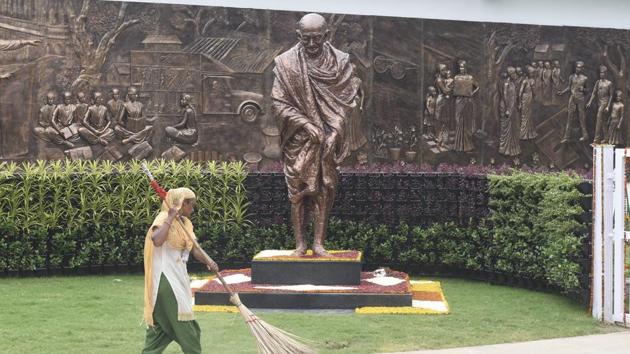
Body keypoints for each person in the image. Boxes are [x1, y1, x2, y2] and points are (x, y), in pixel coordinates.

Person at [271, 13, 360, 257]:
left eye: (317, 39)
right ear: (298, 36)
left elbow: (347, 103)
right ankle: (300, 244)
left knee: (323, 189)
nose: (311, 44)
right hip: (299, 139)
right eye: (306, 39)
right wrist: (305, 124)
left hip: (327, 140)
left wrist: (334, 132)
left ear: (327, 36)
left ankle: (318, 243)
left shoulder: (340, 62)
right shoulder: (286, 63)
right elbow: (278, 103)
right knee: (298, 192)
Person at [142, 187, 218, 354]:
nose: (193, 208)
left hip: (177, 279)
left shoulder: (186, 223)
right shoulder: (163, 218)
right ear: (182, 204)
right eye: (191, 204)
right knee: (189, 331)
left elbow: (195, 249)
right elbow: (156, 240)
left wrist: (209, 261)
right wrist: (169, 218)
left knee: (159, 330)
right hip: (166, 282)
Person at [557, 61, 589, 143]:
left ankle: (585, 135)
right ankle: (566, 137)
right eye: (577, 67)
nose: (578, 69)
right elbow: (569, 87)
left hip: (580, 99)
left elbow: (588, 90)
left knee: (582, 117)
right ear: (575, 68)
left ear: (582, 69)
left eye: (580, 67)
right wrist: (562, 92)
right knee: (569, 117)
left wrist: (584, 89)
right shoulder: (571, 77)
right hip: (572, 98)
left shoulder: (585, 78)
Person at [587, 66, 614, 144]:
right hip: (599, 103)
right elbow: (594, 93)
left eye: (603, 73)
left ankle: (596, 140)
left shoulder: (609, 83)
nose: (601, 74)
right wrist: (590, 101)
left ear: (606, 73)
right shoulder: (598, 82)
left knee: (598, 119)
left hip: (605, 103)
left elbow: (611, 95)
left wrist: (608, 106)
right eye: (600, 73)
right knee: (603, 121)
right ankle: (607, 138)